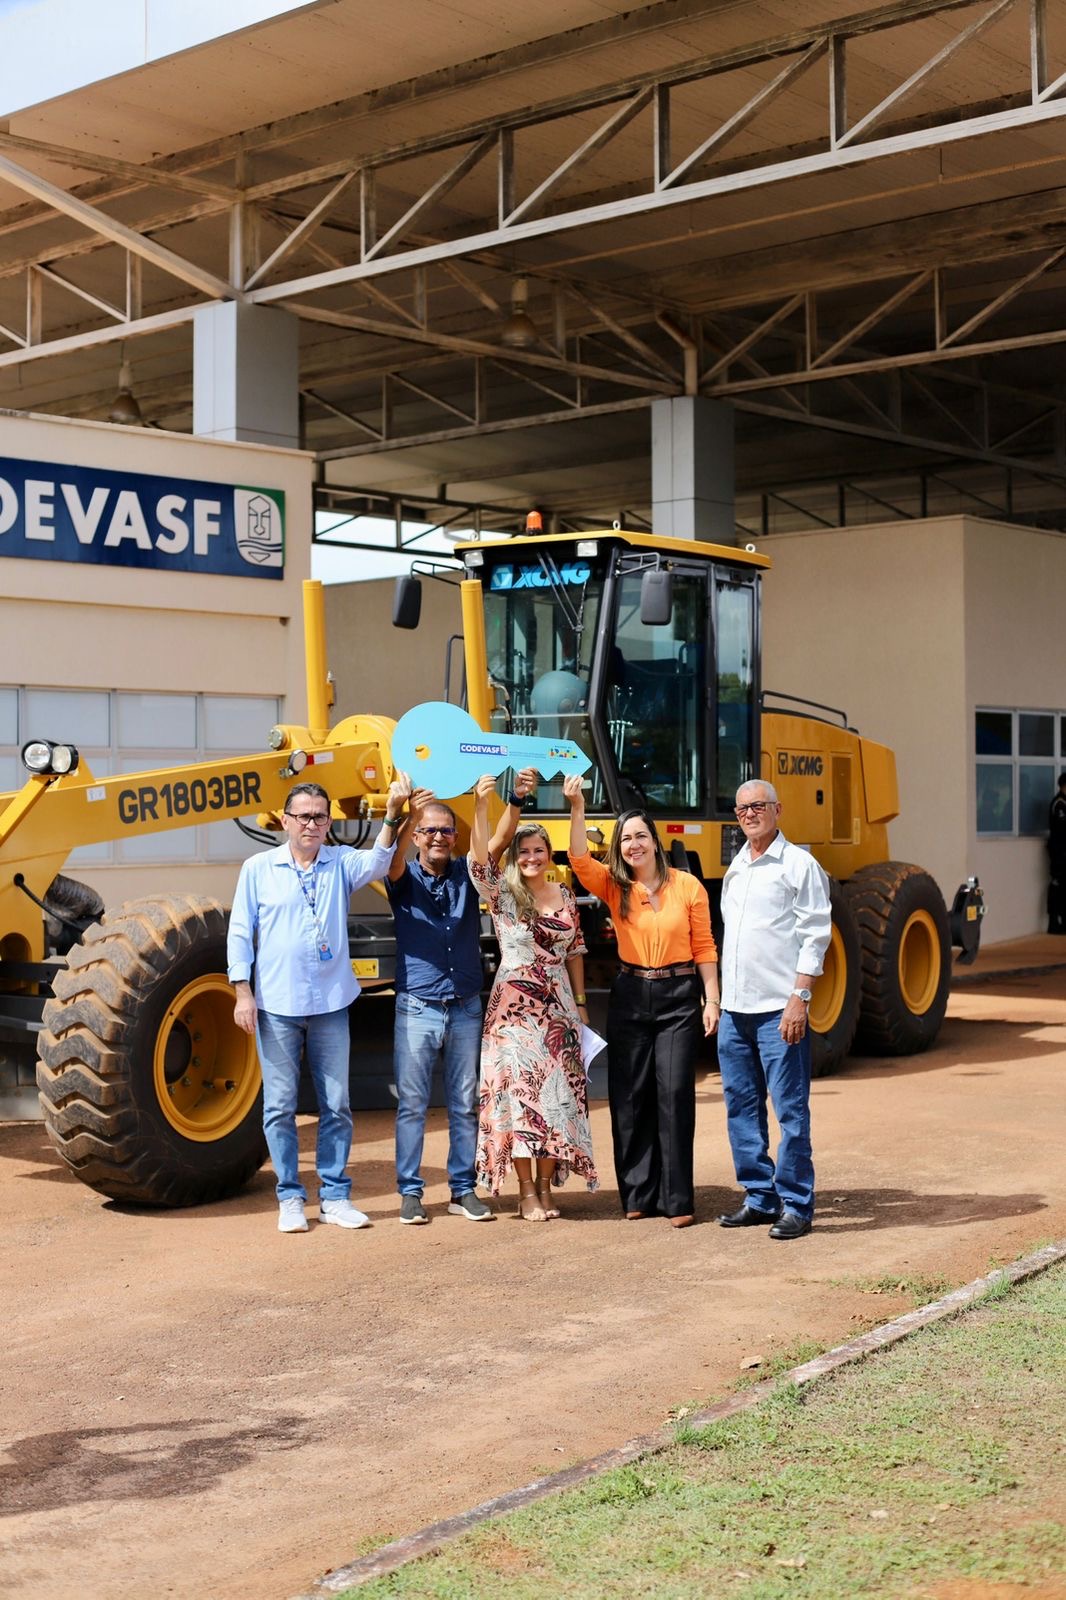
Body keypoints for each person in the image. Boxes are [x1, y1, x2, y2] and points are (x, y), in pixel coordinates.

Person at [228, 776, 410, 1234]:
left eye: (319, 817)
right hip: (276, 1002)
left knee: (336, 1104)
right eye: (303, 816)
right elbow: (240, 932)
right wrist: (242, 991)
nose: (311, 824)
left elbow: (379, 861)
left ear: (329, 823)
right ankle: (290, 1197)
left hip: (330, 1001)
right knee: (279, 1106)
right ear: (285, 820)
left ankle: (335, 1196)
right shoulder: (258, 868)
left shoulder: (340, 862)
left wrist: (392, 813)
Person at [563, 775, 718, 1228]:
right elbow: (578, 859)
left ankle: (677, 1198)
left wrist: (711, 999)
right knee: (629, 1097)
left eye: (640, 836)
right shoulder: (615, 887)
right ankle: (638, 1194)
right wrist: (578, 807)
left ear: (654, 841)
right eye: (625, 839)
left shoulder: (687, 886)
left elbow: (705, 946)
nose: (634, 845)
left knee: (673, 1093)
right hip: (631, 994)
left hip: (678, 996)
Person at [386, 769, 537, 1225]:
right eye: (429, 830)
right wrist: (408, 814)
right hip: (417, 1005)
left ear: (456, 836)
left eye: (446, 831)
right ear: (417, 837)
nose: (438, 837)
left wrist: (514, 799)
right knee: (412, 1104)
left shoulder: (467, 873)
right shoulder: (401, 876)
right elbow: (391, 860)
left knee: (464, 1101)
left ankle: (462, 1189)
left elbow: (500, 840)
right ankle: (411, 1193)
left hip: (466, 1004)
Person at [468, 773, 598, 1221]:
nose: (530, 857)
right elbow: (479, 861)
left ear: (548, 854)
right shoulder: (502, 893)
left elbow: (576, 950)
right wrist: (482, 806)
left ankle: (545, 1187)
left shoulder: (565, 894)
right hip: (513, 1013)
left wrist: (581, 1003)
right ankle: (525, 1192)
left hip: (559, 1010)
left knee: (556, 1099)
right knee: (520, 1099)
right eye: (522, 851)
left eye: (538, 850)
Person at [716, 778, 832, 1241]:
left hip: (777, 1012)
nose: (750, 814)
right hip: (735, 1011)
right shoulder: (737, 866)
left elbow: (815, 935)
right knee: (741, 1108)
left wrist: (799, 998)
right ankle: (760, 1197)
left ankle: (797, 1204)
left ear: (778, 810)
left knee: (790, 1111)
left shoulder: (799, 865)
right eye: (742, 808)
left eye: (758, 806)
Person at [1048, 772, 1066, 934]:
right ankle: (1054, 922)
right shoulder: (1059, 803)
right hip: (1059, 850)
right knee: (1057, 884)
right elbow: (1061, 828)